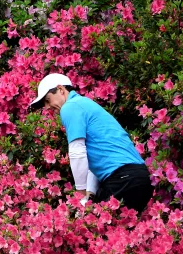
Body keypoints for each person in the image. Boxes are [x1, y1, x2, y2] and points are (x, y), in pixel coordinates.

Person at [29, 73, 153, 214]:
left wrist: (80, 197)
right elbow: (93, 161)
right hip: (140, 178)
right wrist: (89, 195)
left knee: (97, 230)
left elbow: (77, 153)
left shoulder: (70, 107)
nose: (47, 107)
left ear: (61, 89)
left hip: (122, 179)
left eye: (48, 100)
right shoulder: (85, 104)